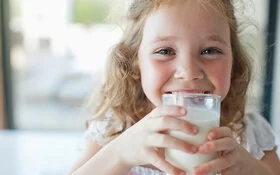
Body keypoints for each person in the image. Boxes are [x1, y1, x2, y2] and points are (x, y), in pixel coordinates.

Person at [68, 0, 280, 175]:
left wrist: (253, 170)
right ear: (135, 63)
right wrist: (119, 155)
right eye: (165, 51)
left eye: (210, 51)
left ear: (233, 63)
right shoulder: (114, 129)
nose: (189, 72)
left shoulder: (249, 134)